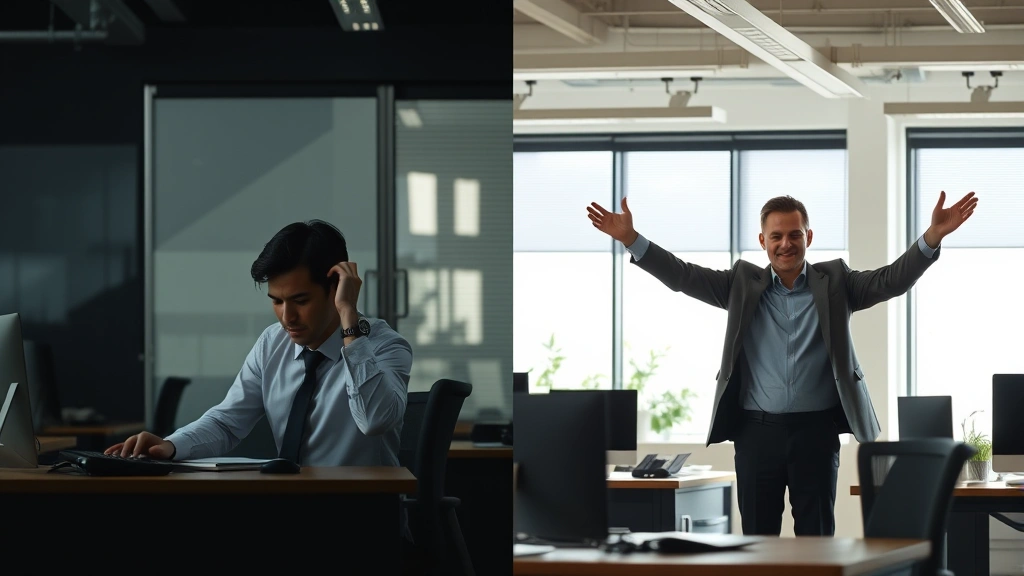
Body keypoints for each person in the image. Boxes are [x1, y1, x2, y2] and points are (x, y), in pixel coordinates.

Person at [586, 191, 978, 537]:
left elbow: (891, 280)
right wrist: (633, 241)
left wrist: (931, 239)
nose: (786, 244)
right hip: (756, 435)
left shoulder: (837, 282)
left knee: (817, 539)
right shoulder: (739, 283)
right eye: (777, 236)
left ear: (808, 237)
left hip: (817, 433)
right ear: (763, 241)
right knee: (758, 542)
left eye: (794, 234)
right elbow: (683, 276)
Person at [106, 220, 413, 466]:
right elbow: (227, 422)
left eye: (300, 300)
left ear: (335, 288)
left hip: (365, 518)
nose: (287, 316)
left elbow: (375, 420)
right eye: (276, 301)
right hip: (286, 514)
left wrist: (348, 314)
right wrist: (170, 446)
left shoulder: (385, 346)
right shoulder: (272, 343)